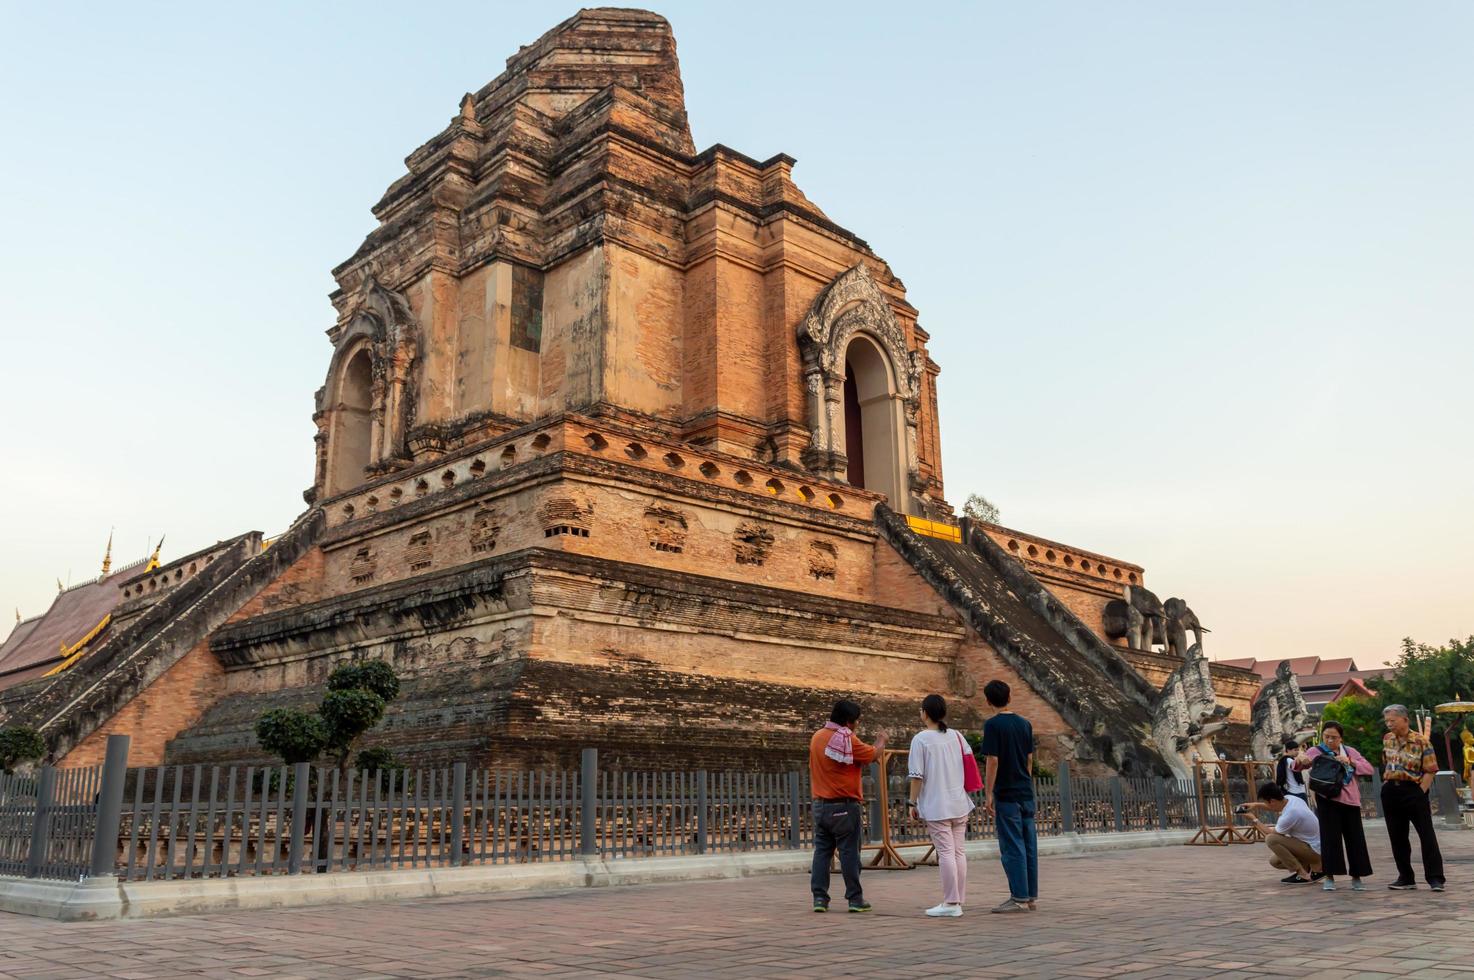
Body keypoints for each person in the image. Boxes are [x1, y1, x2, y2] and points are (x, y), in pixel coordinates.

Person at [808, 699, 886, 912]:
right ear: (849, 722)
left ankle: (819, 898)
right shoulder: (845, 739)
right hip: (844, 805)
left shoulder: (817, 737)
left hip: (820, 806)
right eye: (857, 722)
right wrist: (881, 741)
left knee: (822, 852)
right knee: (849, 852)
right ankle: (855, 898)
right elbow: (871, 754)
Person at [907, 694, 976, 918]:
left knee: (945, 852)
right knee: (958, 852)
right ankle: (957, 900)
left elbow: (917, 776)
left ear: (925, 713)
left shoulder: (921, 739)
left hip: (937, 805)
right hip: (959, 802)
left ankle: (951, 902)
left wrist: (911, 801)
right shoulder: (956, 736)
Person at [1294, 721, 1374, 891]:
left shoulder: (1350, 752)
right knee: (1330, 840)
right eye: (1327, 737)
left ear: (1341, 738)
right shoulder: (1315, 751)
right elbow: (1298, 766)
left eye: (1334, 737)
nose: (1330, 740)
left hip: (1350, 801)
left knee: (1355, 840)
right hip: (1327, 800)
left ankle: (1357, 877)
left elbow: (1368, 769)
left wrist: (1350, 761)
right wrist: (1300, 759)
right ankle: (1329, 876)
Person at [980, 679, 1037, 913]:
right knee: (1029, 844)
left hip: (1007, 793)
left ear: (988, 701)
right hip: (1025, 791)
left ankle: (1019, 897)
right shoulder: (1025, 724)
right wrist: (1025, 780)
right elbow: (1030, 759)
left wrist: (988, 792)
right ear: (1009, 698)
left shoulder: (993, 725)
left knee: (1012, 845)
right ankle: (1031, 895)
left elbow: (993, 760)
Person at [1379, 704, 1445, 891]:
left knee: (1426, 834)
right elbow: (1385, 761)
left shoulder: (1421, 741)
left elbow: (1431, 769)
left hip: (1413, 790)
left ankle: (1435, 878)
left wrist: (1420, 791)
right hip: (1391, 790)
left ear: (1405, 719)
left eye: (1393, 720)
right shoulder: (1387, 739)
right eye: (1387, 721)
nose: (1389, 724)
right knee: (1397, 836)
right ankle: (1406, 877)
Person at [1242, 782, 1323, 883]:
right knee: (1275, 861)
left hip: (1315, 851)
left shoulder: (1291, 813)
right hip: (1313, 846)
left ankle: (1302, 874)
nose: (1267, 806)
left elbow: (1270, 834)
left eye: (1266, 803)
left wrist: (1254, 820)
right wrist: (1256, 805)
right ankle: (1307, 868)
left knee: (1271, 839)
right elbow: (1274, 807)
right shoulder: (1291, 799)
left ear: (1272, 801)